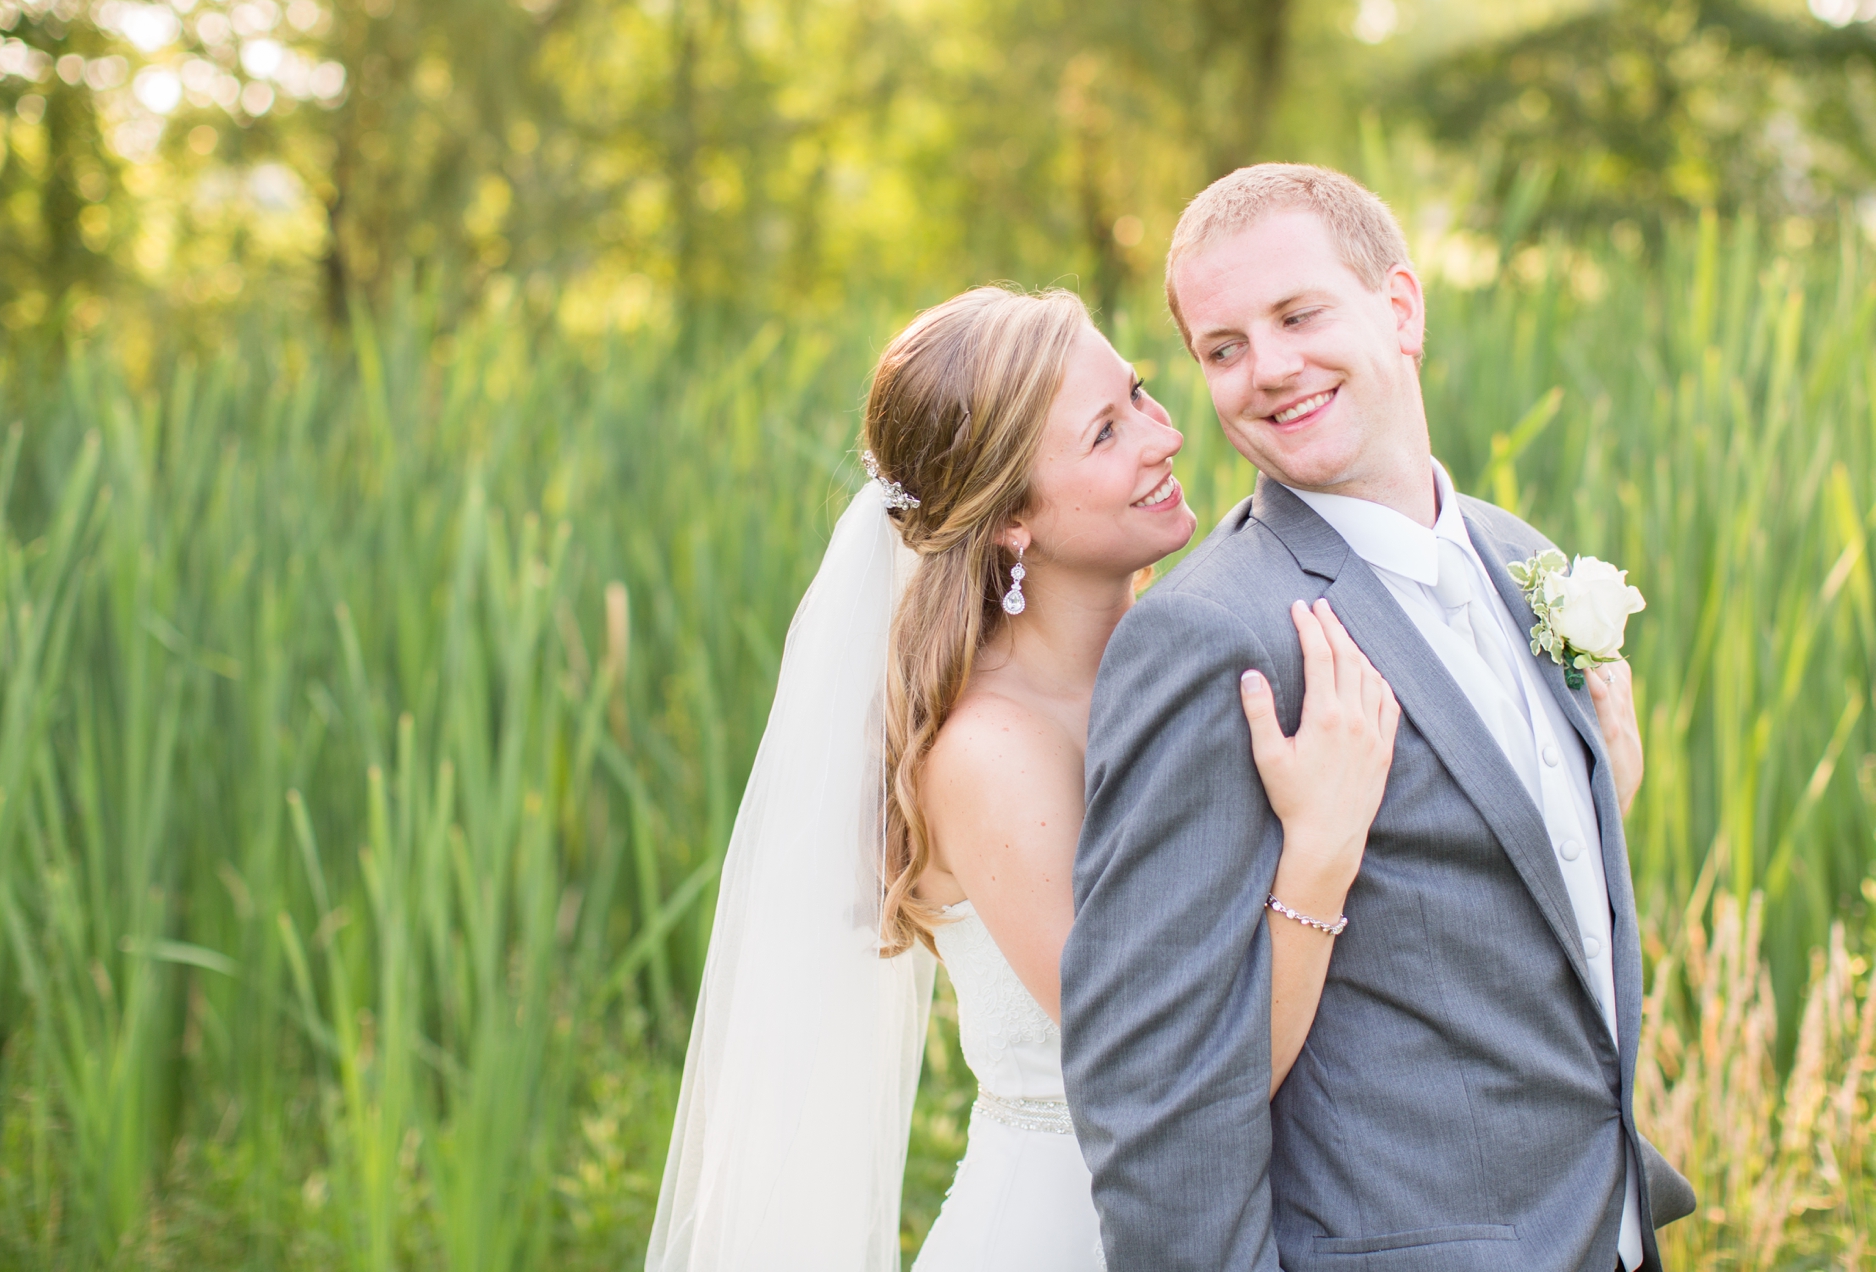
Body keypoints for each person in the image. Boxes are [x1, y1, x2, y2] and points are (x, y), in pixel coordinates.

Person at [645, 282, 1637, 1271]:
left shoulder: (1209, 650)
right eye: (1103, 433)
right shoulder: (991, 753)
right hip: (1077, 1228)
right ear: (1009, 520)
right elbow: (1179, 1079)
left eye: (1140, 393)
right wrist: (1318, 854)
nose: (1162, 436)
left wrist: (1574, 800)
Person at [1059, 163, 1691, 1272]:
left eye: (1297, 315)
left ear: (1397, 308)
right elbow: (1154, 1094)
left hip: (1603, 1229)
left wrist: (1592, 800)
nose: (1268, 369)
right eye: (1222, 347)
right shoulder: (1215, 636)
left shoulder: (1518, 556)